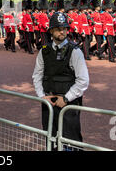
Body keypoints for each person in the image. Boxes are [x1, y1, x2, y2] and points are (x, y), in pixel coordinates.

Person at [32, 11, 89, 150]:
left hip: (68, 105)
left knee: (71, 141)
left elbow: (83, 80)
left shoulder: (75, 51)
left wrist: (66, 98)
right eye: (58, 28)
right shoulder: (44, 51)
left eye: (64, 28)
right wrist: (41, 96)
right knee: (50, 139)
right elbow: (37, 76)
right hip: (49, 103)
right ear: (51, 30)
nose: (62, 31)